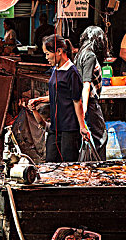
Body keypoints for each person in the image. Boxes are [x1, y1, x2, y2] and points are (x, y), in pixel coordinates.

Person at [28, 34, 89, 162]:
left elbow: (77, 101)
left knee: (68, 166)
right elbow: (59, 94)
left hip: (69, 127)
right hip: (55, 126)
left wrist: (82, 127)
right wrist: (40, 100)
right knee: (50, 162)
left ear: (59, 51)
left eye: (47, 54)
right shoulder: (56, 69)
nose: (46, 58)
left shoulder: (72, 73)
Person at [74, 26, 109, 160]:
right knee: (101, 137)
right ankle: (100, 168)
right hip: (90, 102)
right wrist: (84, 108)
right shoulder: (90, 55)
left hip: (83, 102)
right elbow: (86, 84)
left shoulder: (80, 54)